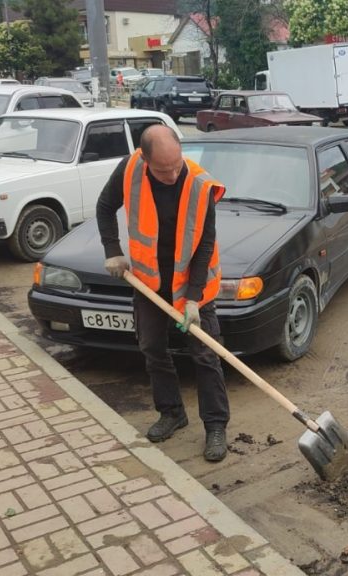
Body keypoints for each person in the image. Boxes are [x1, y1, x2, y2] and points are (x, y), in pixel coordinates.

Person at [96, 125, 231, 462]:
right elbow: (103, 206)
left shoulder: (201, 184)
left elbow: (204, 246)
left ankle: (215, 426)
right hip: (150, 284)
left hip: (193, 287)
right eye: (161, 169)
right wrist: (112, 249)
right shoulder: (129, 170)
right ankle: (172, 412)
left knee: (205, 355)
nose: (171, 175)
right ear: (144, 159)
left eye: (176, 166)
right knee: (152, 348)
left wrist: (193, 298)